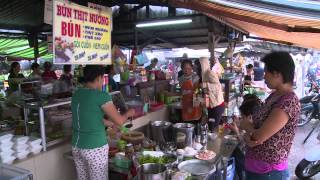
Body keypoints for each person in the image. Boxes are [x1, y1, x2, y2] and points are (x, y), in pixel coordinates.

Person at [240, 52, 300, 180]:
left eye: (266, 72)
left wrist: (246, 126)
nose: (264, 76)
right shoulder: (274, 96)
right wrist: (249, 135)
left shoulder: (289, 101)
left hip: (269, 173)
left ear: (277, 74)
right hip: (257, 169)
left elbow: (258, 136)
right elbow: (255, 133)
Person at [71, 65, 135, 180]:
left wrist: (111, 124)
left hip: (77, 146)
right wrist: (128, 113)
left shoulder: (77, 94)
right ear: (99, 78)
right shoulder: (101, 96)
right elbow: (120, 121)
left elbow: (92, 117)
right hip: (94, 147)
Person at [198, 57, 225, 130]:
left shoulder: (210, 73)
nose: (197, 67)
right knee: (211, 124)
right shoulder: (203, 75)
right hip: (211, 105)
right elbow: (206, 92)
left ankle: (215, 139)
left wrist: (205, 85)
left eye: (200, 65)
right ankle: (212, 137)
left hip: (217, 105)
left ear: (203, 65)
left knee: (213, 126)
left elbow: (218, 86)